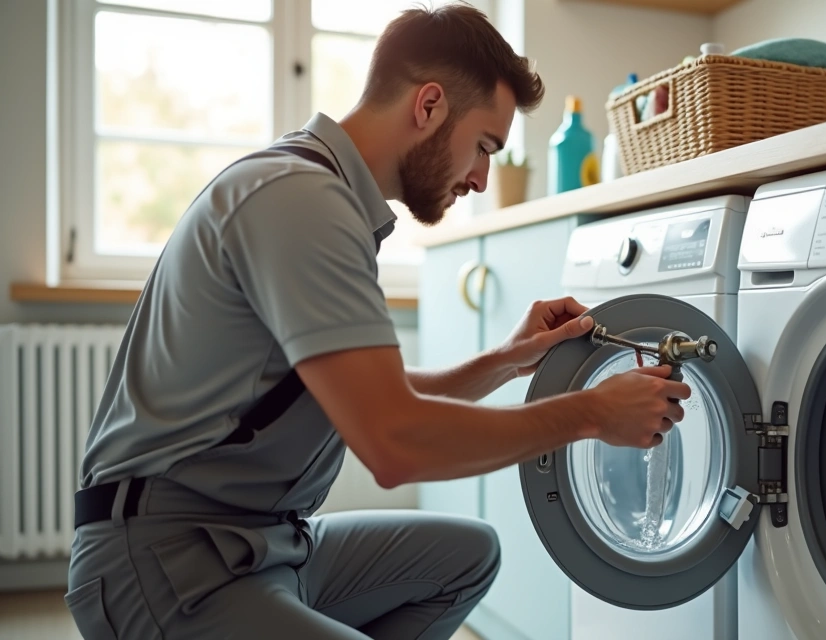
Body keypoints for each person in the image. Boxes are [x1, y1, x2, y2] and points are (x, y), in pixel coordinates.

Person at [64, 4, 691, 639]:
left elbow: (368, 394)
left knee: (466, 557)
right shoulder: (301, 200)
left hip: (265, 543)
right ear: (428, 106)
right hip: (165, 562)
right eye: (483, 147)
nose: (480, 178)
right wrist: (590, 415)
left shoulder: (325, 196)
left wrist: (504, 360)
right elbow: (392, 443)